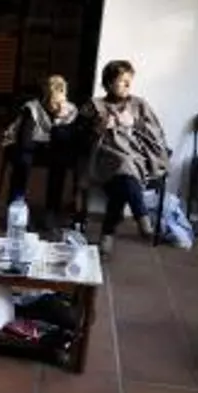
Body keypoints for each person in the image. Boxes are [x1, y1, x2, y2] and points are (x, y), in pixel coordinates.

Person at [78, 60, 169, 257]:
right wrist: (98, 129)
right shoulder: (94, 106)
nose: (128, 84)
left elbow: (157, 134)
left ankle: (107, 235)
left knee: (123, 178)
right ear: (109, 83)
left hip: (134, 157)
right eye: (122, 80)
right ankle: (142, 217)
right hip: (104, 159)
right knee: (123, 168)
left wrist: (134, 123)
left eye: (130, 80)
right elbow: (77, 137)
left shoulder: (139, 104)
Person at [2, 75, 79, 229]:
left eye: (62, 101)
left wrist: (58, 122)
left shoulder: (70, 111)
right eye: (54, 103)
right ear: (45, 99)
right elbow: (25, 141)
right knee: (23, 161)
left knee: (60, 161)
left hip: (51, 149)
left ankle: (52, 211)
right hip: (26, 147)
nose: (58, 106)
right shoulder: (32, 109)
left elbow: (69, 141)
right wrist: (50, 140)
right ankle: (16, 207)